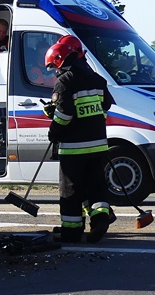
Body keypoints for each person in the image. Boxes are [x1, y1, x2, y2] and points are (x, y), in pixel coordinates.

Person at [45, 38, 116, 243]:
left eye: (53, 67)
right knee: (96, 186)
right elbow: (105, 107)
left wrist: (53, 130)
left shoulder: (65, 81)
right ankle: (101, 219)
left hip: (73, 149)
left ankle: (72, 231)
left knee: (71, 191)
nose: (54, 72)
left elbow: (65, 116)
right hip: (98, 145)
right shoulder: (97, 79)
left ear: (60, 61)